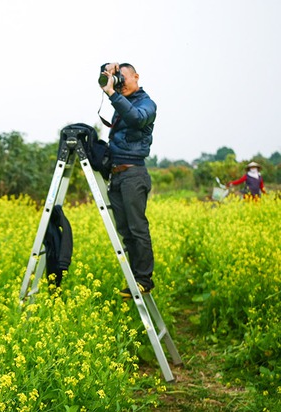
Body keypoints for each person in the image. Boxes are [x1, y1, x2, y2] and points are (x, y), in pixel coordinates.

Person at [99, 62, 157, 298]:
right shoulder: (122, 100)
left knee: (137, 228)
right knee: (125, 230)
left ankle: (144, 279)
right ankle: (135, 278)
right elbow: (103, 73)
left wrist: (113, 93)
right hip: (118, 176)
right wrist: (108, 69)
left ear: (136, 76)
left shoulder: (146, 104)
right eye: (117, 80)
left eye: (123, 78)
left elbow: (135, 119)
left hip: (134, 174)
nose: (119, 84)